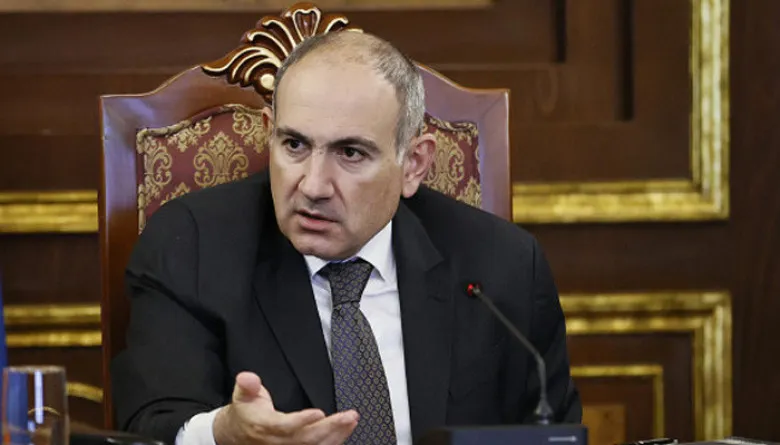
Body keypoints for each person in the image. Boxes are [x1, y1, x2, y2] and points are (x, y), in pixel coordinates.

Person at [111, 30, 581, 445]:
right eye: (294, 145)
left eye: (351, 153)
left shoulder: (502, 266)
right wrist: (222, 434)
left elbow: (551, 431)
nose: (313, 186)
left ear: (414, 164)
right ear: (269, 135)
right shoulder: (192, 246)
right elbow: (152, 422)